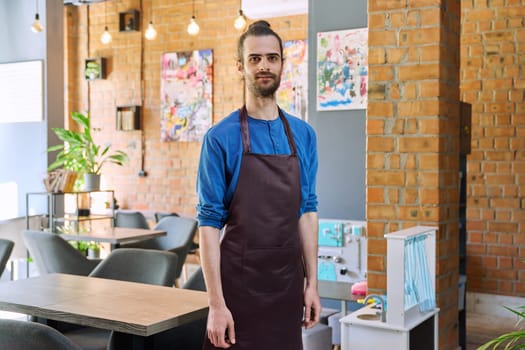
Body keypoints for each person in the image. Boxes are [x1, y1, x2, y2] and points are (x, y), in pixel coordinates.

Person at [196, 20, 321, 350]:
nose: (264, 66)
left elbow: (306, 211)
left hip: (287, 286)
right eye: (254, 59)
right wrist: (215, 304)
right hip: (238, 291)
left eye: (271, 58)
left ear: (282, 62)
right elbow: (208, 224)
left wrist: (313, 284)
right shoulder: (220, 139)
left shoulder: (304, 136)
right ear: (240, 66)